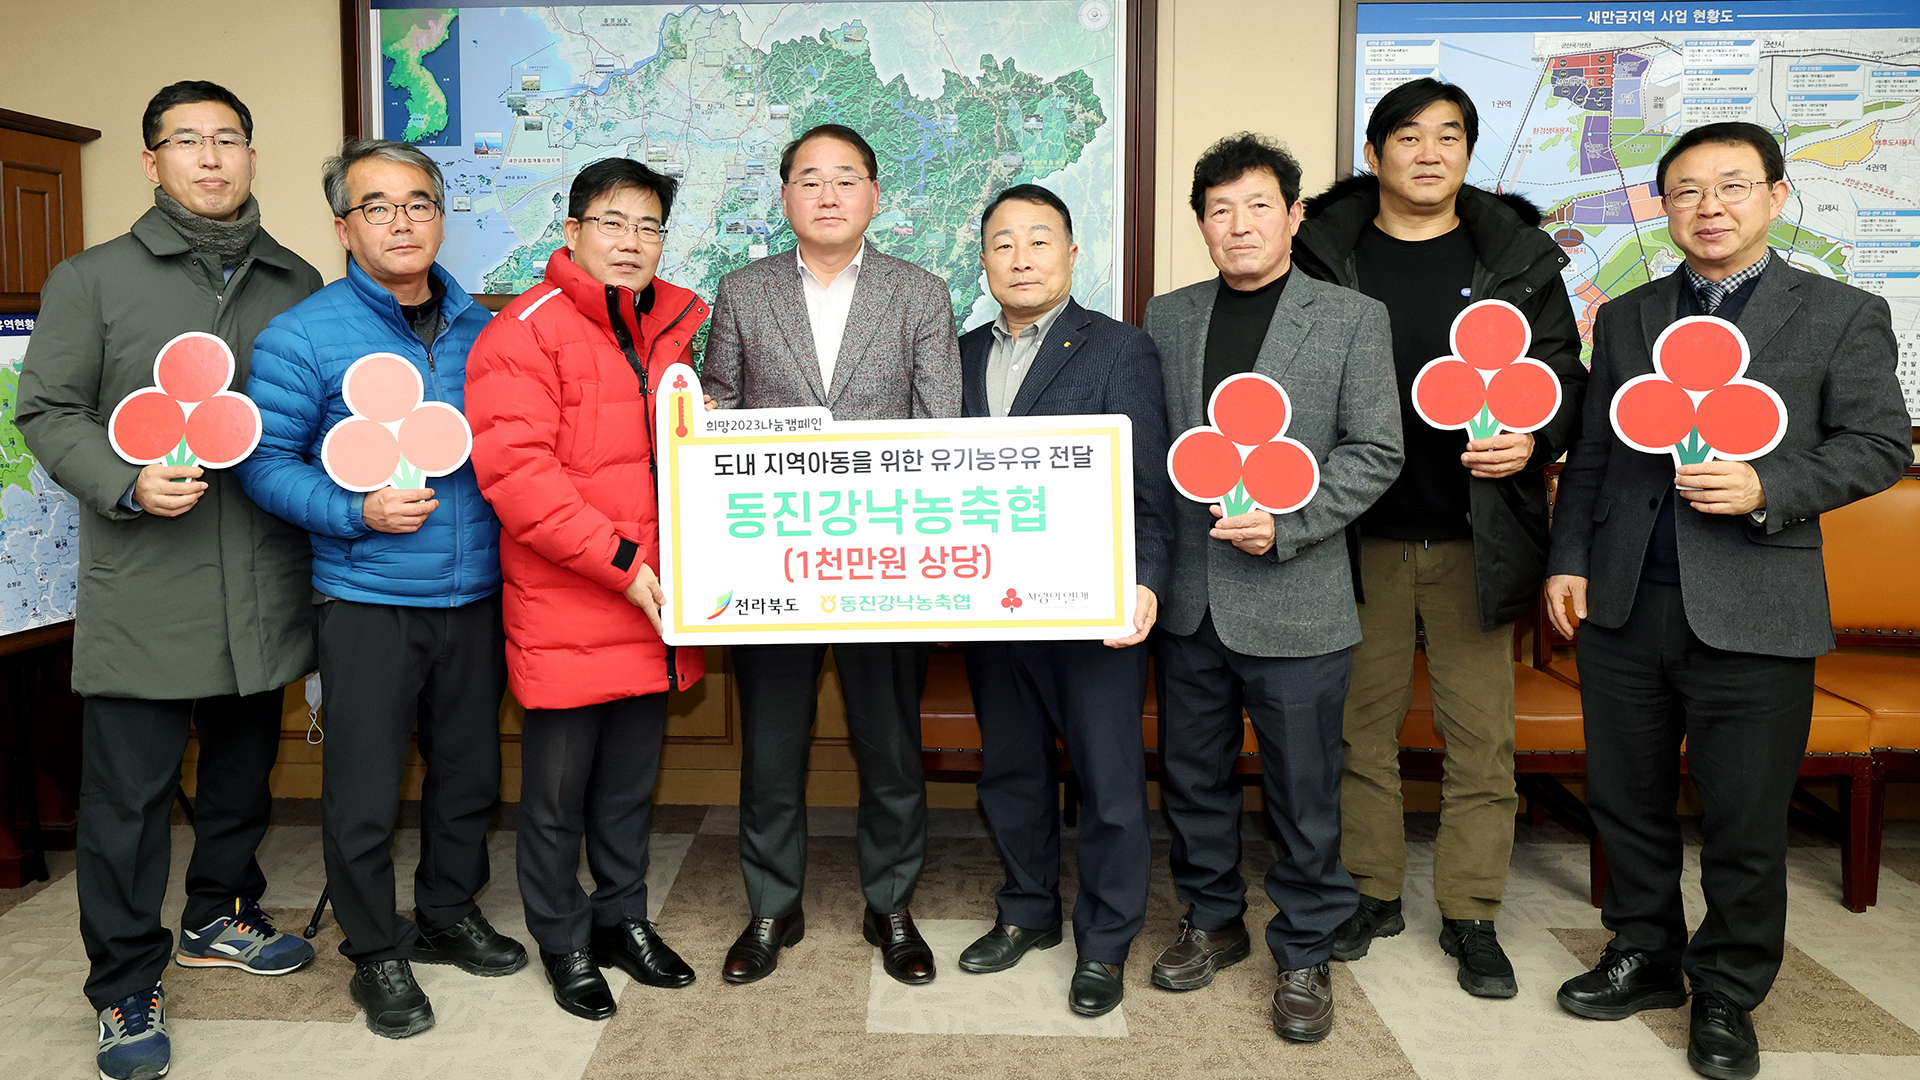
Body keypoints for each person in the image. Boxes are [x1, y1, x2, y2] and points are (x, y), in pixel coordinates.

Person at [1544, 121, 1909, 1080]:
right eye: (1686, 192)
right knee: (1625, 801)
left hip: (1757, 601)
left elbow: (1879, 444)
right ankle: (1644, 953)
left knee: (1746, 815)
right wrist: (1567, 559)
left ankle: (1729, 989)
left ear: (1776, 196)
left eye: (1733, 186)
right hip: (1624, 602)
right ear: (1662, 209)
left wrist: (1769, 487)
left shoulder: (1839, 311)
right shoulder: (1624, 316)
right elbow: (1594, 456)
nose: (1710, 207)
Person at [18, 79, 321, 1080]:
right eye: (187, 142)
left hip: (264, 576)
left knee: (240, 774)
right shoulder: (92, 278)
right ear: (152, 163)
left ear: (249, 154)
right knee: (128, 804)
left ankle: (219, 912)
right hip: (147, 576)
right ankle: (123, 985)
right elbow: (48, 411)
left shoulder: (297, 280)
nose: (210, 158)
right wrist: (126, 480)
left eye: (228, 139)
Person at [1292, 77, 1587, 997]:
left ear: (1467, 153)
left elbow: (1569, 381)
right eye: (1408, 136)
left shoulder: (1518, 257)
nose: (1430, 152)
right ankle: (1372, 891)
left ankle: (1471, 912)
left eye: (1450, 136)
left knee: (1479, 739)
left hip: (1478, 535)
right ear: (1374, 153)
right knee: (1358, 733)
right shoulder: (1323, 253)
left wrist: (1537, 439)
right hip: (1355, 537)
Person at [238, 139, 521, 1040]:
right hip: (364, 597)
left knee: (471, 773)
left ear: (441, 218)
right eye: (379, 207)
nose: (403, 222)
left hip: (476, 593)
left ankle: (444, 910)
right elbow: (264, 465)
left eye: (420, 203)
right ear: (343, 226)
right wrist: (355, 508)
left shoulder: (486, 329)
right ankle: (376, 949)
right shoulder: (303, 335)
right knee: (362, 790)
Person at [1142, 133, 1401, 1043]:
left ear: (1294, 215)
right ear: (1201, 225)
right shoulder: (1166, 317)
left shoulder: (1349, 319)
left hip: (1297, 595)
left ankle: (1306, 950)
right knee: (1194, 779)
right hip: (1189, 598)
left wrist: (1287, 526)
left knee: (1303, 790)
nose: (1238, 225)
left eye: (1258, 206)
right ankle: (1211, 921)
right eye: (1219, 210)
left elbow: (1377, 451)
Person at [701, 122, 962, 986]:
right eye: (809, 180)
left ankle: (891, 904)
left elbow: (941, 432)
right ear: (785, 198)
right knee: (772, 750)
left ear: (874, 196)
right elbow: (718, 416)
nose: (827, 195)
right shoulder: (740, 292)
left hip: (884, 565)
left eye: (846, 179)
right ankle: (772, 905)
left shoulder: (920, 293)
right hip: (772, 568)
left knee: (890, 748)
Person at [465, 158, 706, 1020]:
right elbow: (520, 480)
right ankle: (564, 942)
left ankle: (622, 920)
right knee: (557, 797)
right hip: (573, 602)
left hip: (654, 600)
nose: (631, 242)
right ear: (571, 233)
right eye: (612, 223)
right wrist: (621, 564)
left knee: (628, 788)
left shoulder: (667, 329)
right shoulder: (522, 334)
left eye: (648, 227)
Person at [953, 184, 1176, 1018]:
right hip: (990, 603)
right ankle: (1027, 912)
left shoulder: (1121, 349)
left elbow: (1149, 485)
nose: (1020, 257)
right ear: (982, 261)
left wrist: (1146, 582)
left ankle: (1107, 941)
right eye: (1003, 243)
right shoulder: (959, 351)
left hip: (1093, 608)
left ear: (1073, 255)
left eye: (1039, 241)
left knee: (1110, 783)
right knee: (1012, 772)